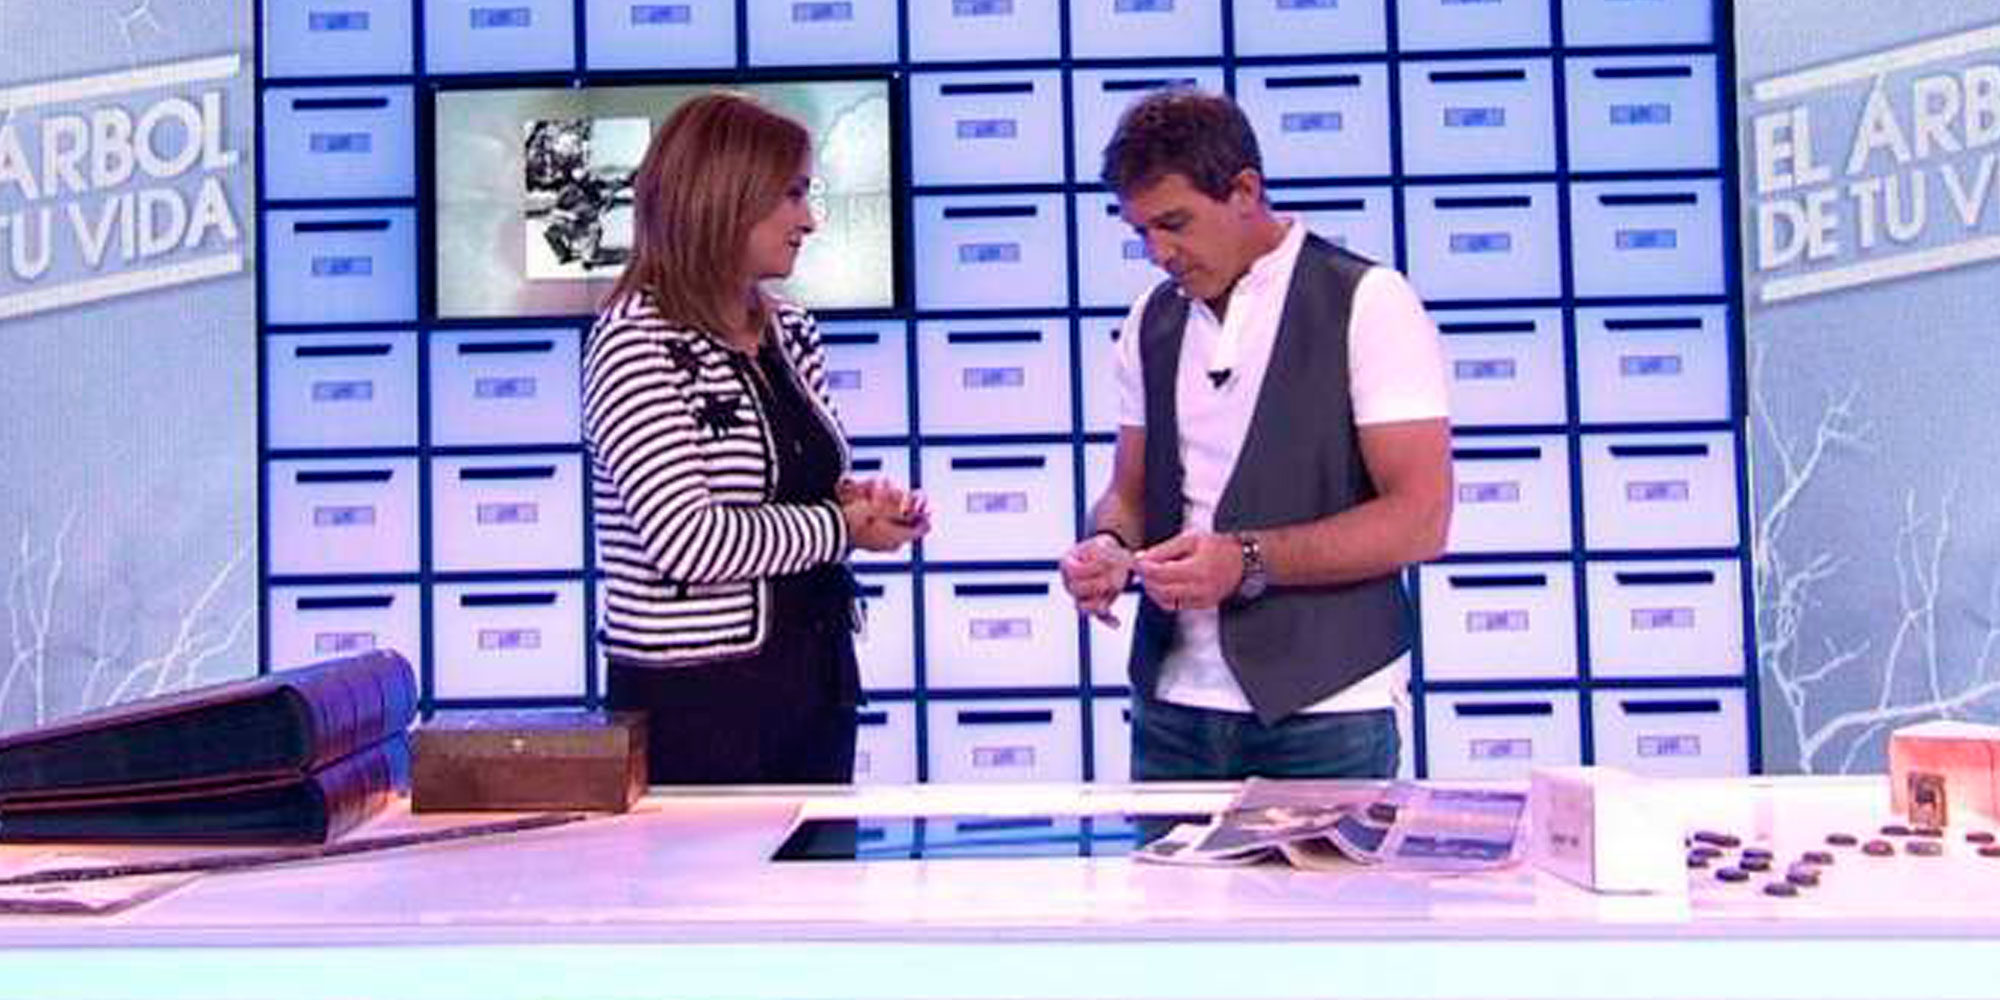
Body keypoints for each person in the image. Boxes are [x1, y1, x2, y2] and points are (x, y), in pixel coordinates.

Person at [1060, 89, 1453, 783]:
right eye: (1142, 232)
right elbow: (1129, 492)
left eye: (1174, 224)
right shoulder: (1151, 319)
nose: (1159, 253)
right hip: (1171, 712)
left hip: (1328, 712)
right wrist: (1109, 545)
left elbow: (1420, 520)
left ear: (1245, 190)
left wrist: (1245, 560)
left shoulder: (1367, 302)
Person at [583, 92, 926, 785]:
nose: (810, 220)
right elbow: (687, 540)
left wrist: (865, 504)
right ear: (726, 197)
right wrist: (842, 527)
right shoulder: (633, 342)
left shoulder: (790, 330)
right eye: (792, 194)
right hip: (698, 705)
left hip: (817, 678)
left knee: (819, 861)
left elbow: (796, 486)